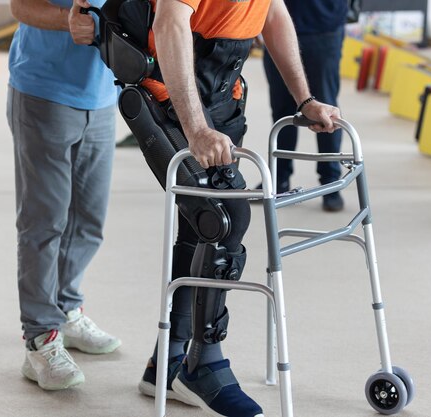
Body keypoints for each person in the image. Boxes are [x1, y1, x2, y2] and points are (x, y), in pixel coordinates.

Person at [120, 0, 341, 415]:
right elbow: (170, 23)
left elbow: (273, 15)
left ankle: (164, 365)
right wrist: (197, 129)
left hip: (223, 92)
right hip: (167, 97)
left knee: (197, 228)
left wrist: (304, 99)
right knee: (223, 219)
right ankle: (204, 366)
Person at [7, 0, 121, 391]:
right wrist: (66, 21)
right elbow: (19, 6)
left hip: (104, 95)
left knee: (88, 220)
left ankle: (67, 308)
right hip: (44, 90)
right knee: (45, 221)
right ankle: (40, 337)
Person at [262, 0, 348, 212]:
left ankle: (331, 183)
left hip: (323, 26)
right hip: (276, 26)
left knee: (326, 112)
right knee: (282, 111)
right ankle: (280, 179)